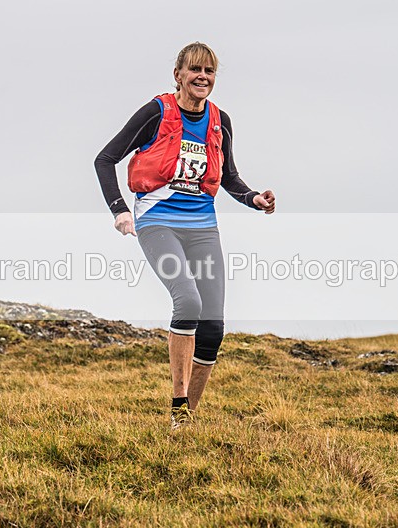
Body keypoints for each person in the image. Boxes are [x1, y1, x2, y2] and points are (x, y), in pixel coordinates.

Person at [95, 42, 275, 430]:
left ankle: (183, 422)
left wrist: (253, 198)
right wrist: (119, 210)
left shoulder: (220, 120)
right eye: (195, 69)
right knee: (188, 302)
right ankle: (178, 402)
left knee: (213, 327)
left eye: (209, 71)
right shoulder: (156, 113)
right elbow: (105, 159)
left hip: (203, 227)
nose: (202, 77)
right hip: (158, 222)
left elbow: (228, 177)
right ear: (178, 75)